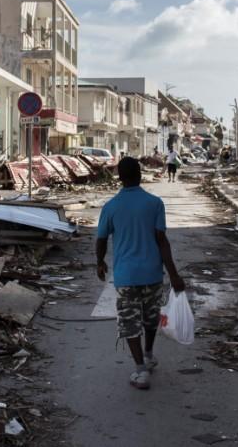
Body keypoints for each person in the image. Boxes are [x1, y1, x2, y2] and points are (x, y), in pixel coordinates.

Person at [96, 156, 186, 390]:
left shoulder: (111, 206)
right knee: (150, 317)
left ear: (120, 177)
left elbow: (101, 239)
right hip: (152, 274)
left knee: (129, 322)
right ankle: (148, 354)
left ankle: (140, 370)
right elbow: (162, 241)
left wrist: (99, 262)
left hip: (126, 276)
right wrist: (174, 275)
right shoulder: (154, 203)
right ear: (139, 175)